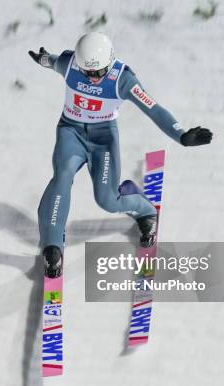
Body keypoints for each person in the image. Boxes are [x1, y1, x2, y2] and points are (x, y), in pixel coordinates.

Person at [29, 32, 212, 278]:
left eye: (98, 73)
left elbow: (153, 109)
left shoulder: (122, 80)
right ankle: (53, 245)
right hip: (70, 133)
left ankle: (144, 209)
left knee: (107, 200)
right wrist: (43, 59)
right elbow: (53, 61)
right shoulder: (71, 63)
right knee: (61, 177)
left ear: (110, 62)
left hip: (102, 139)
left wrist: (181, 135)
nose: (93, 79)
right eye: (87, 72)